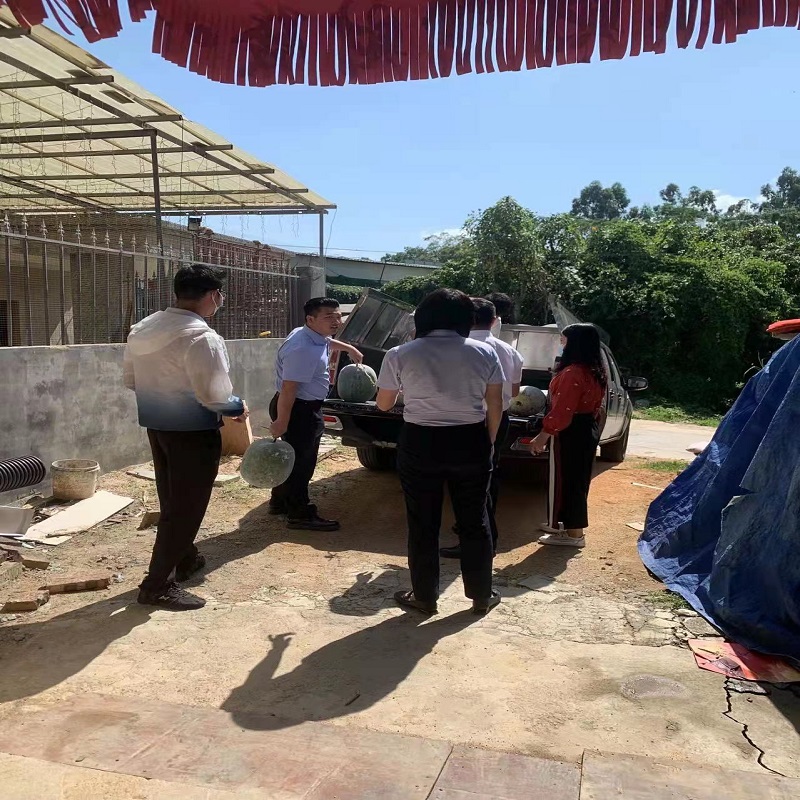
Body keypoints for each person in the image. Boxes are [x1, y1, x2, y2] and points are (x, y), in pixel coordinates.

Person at [124, 264, 249, 610]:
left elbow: (131, 380)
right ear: (212, 295)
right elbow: (215, 395)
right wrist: (237, 406)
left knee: (172, 499)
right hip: (194, 433)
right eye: (219, 295)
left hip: (157, 427)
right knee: (186, 508)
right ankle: (156, 586)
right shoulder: (202, 337)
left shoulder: (143, 328)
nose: (220, 300)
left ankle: (186, 557)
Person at [376, 288, 505, 616]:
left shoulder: (400, 353)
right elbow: (495, 403)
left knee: (422, 522)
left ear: (423, 317)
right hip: (471, 440)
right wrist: (488, 442)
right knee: (475, 520)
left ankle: (425, 597)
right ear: (467, 319)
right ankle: (481, 595)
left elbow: (384, 404)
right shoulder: (485, 352)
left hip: (420, 441)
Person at [440, 297, 524, 559]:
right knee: (487, 477)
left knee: (462, 481)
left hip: (464, 420)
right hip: (499, 419)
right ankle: (483, 534)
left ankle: (475, 537)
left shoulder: (455, 348)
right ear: (495, 320)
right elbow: (513, 392)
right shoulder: (510, 351)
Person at [269, 297, 362, 531]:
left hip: (297, 405)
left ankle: (279, 502)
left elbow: (327, 341)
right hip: (298, 409)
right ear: (311, 319)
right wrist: (282, 421)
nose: (336, 321)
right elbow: (289, 388)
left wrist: (349, 348)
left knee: (291, 457)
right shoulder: (304, 349)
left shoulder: (307, 334)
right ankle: (299, 513)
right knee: (302, 463)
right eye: (329, 316)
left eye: (338, 315)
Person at [528, 323, 606, 548]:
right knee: (576, 480)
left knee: (566, 481)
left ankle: (574, 534)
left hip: (570, 431)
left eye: (564, 340)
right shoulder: (594, 370)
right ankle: (565, 526)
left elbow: (563, 410)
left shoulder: (573, 373)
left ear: (575, 343)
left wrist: (543, 435)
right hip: (585, 428)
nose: (562, 344)